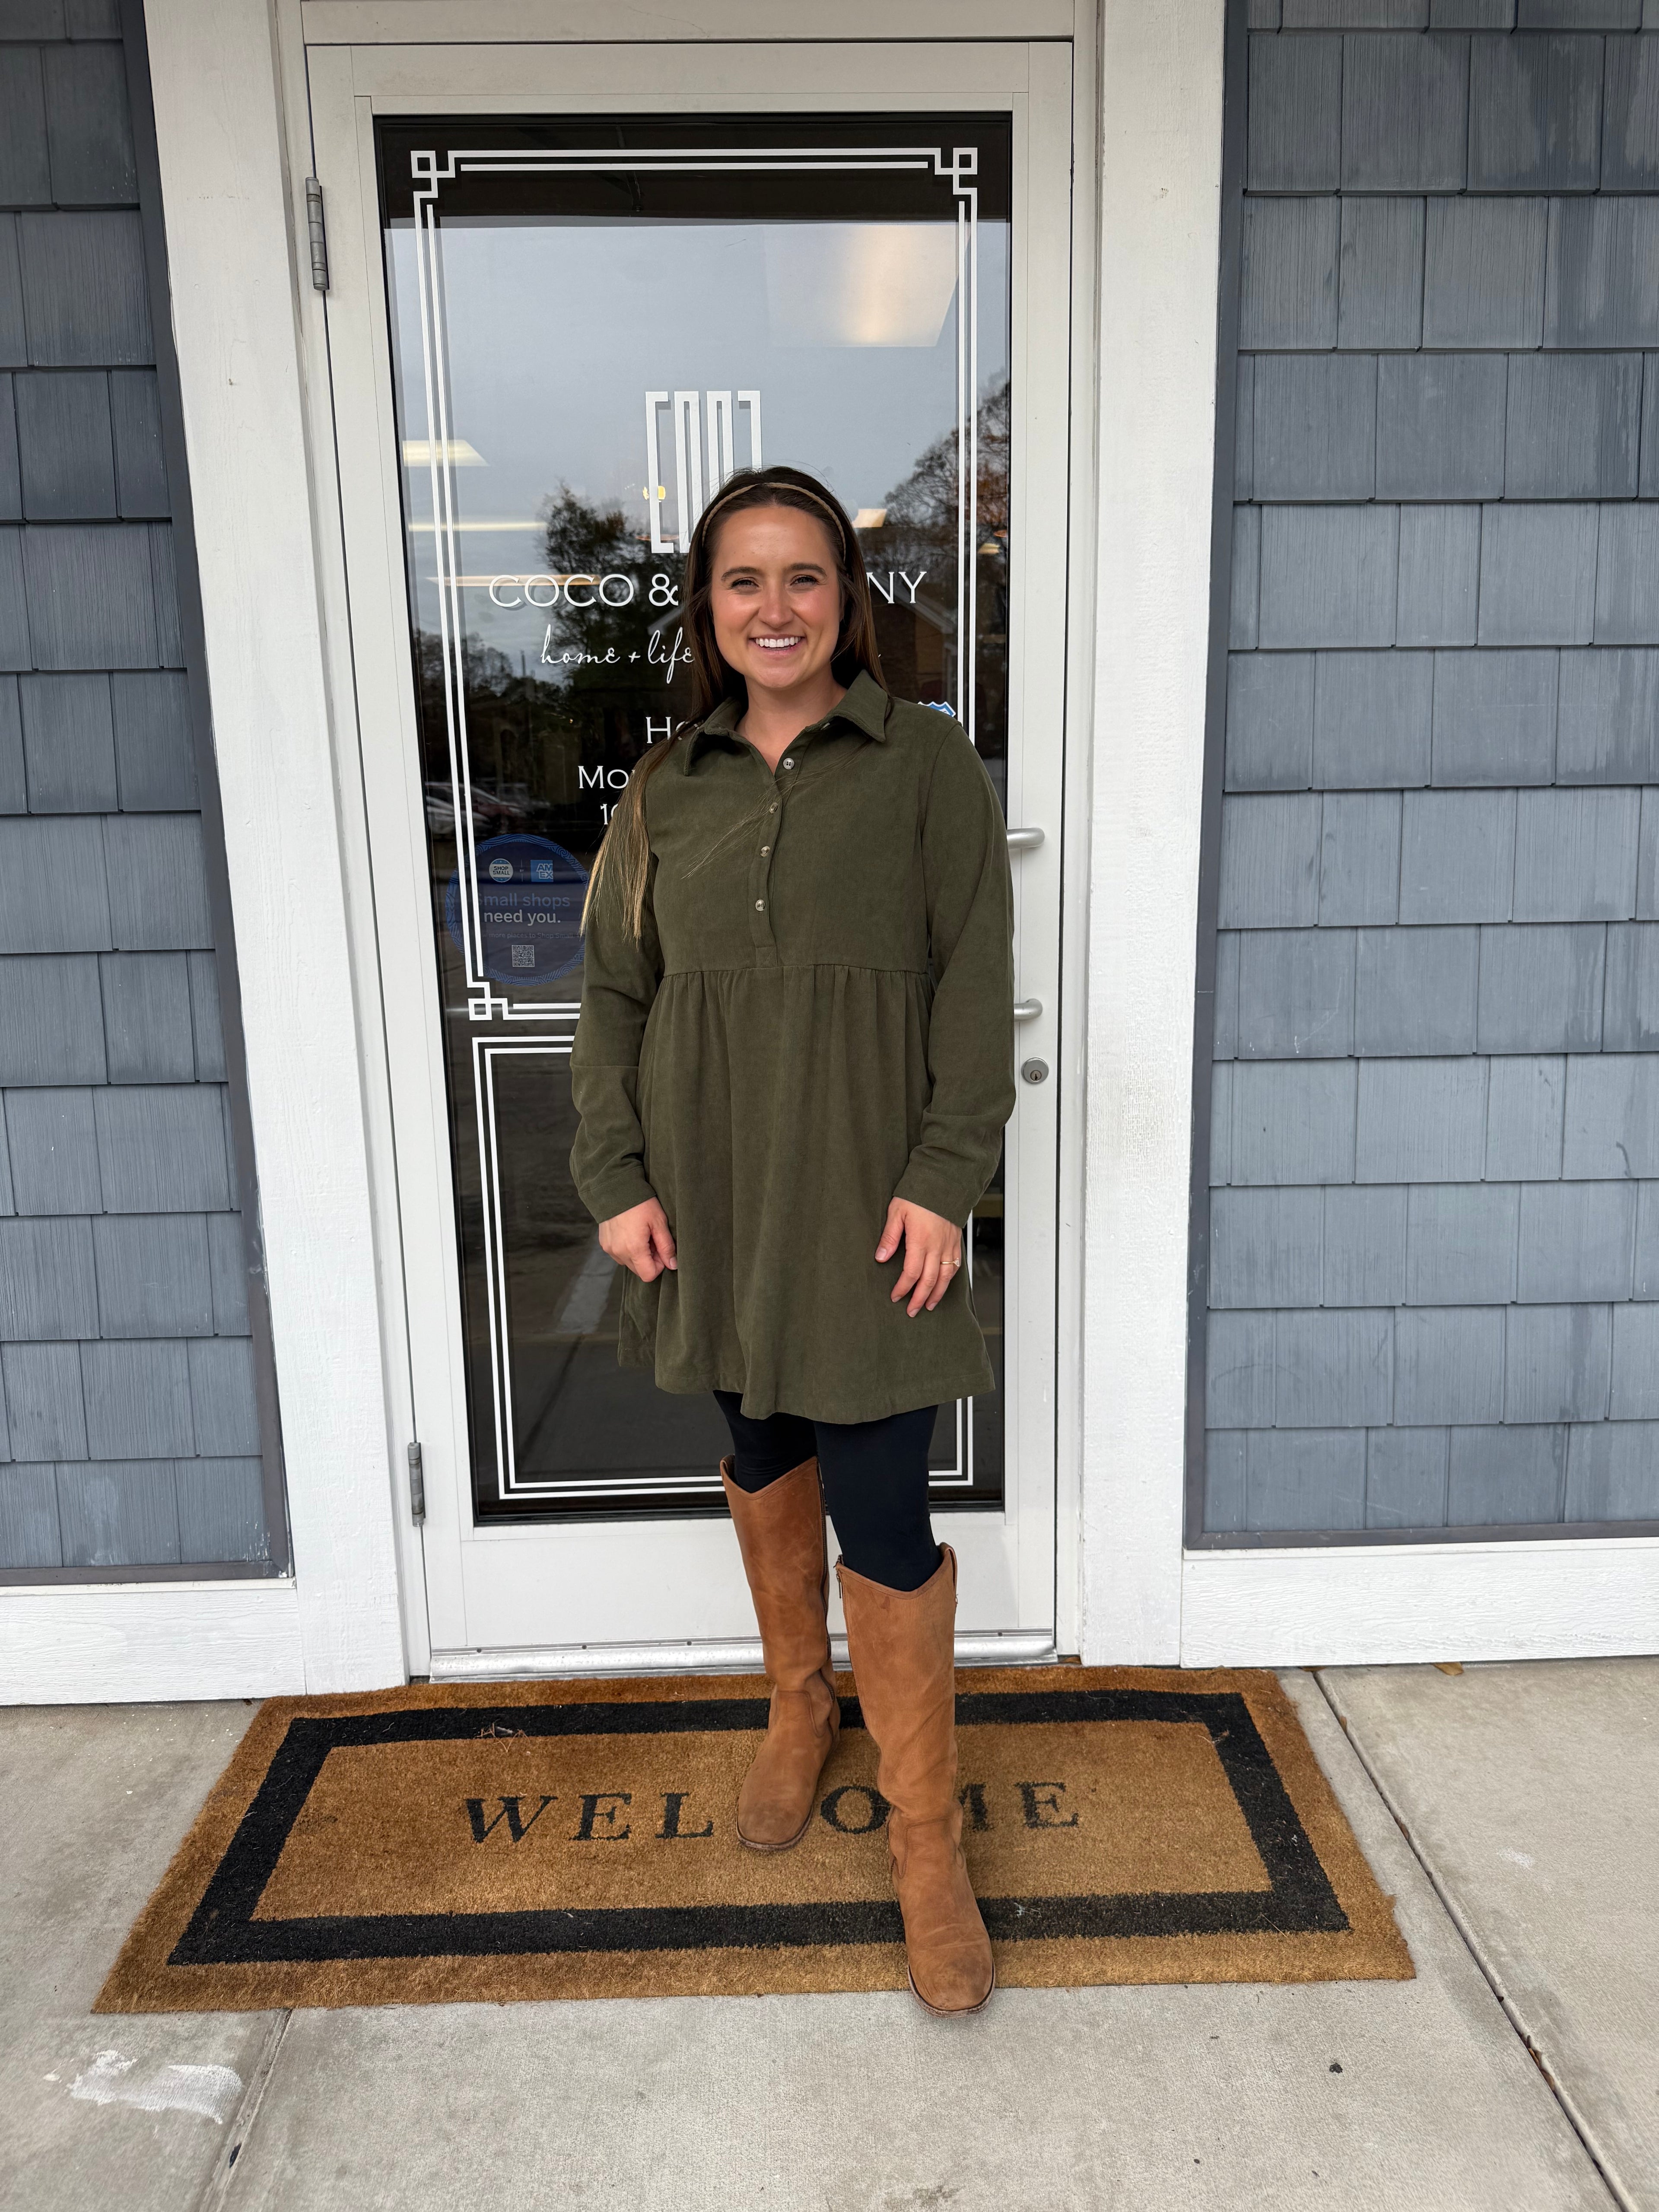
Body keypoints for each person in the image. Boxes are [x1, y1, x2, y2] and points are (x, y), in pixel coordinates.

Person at [569, 464, 1015, 2015]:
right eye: (744, 580)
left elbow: (975, 985)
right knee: (761, 1450)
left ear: (847, 599)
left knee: (884, 1509)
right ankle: (796, 1703)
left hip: (874, 1199)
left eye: (805, 576)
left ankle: (925, 1839)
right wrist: (616, 1174)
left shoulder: (924, 764)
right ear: (708, 609)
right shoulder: (663, 789)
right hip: (712, 1195)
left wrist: (946, 1177)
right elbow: (614, 996)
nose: (776, 608)